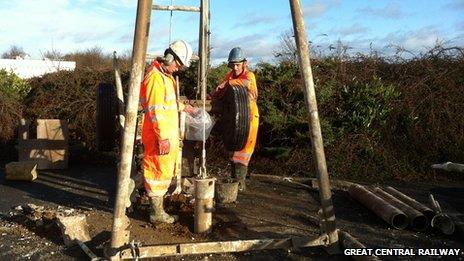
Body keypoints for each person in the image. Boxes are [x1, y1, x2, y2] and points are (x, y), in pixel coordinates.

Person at [140, 40, 194, 223]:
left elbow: (167, 104)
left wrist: (182, 107)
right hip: (158, 136)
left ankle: (158, 209)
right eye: (177, 64)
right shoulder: (155, 78)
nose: (177, 69)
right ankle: (156, 213)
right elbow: (155, 110)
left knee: (162, 171)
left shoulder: (165, 77)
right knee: (157, 172)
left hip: (165, 134)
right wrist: (162, 138)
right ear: (169, 58)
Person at [210, 47, 259, 191]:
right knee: (233, 150)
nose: (235, 68)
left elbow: (247, 84)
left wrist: (227, 84)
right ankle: (234, 183)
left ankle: (240, 183)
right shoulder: (230, 76)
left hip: (249, 119)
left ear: (245, 63)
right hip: (233, 119)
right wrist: (215, 94)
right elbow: (222, 91)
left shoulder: (249, 76)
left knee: (243, 152)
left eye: (238, 64)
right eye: (233, 65)